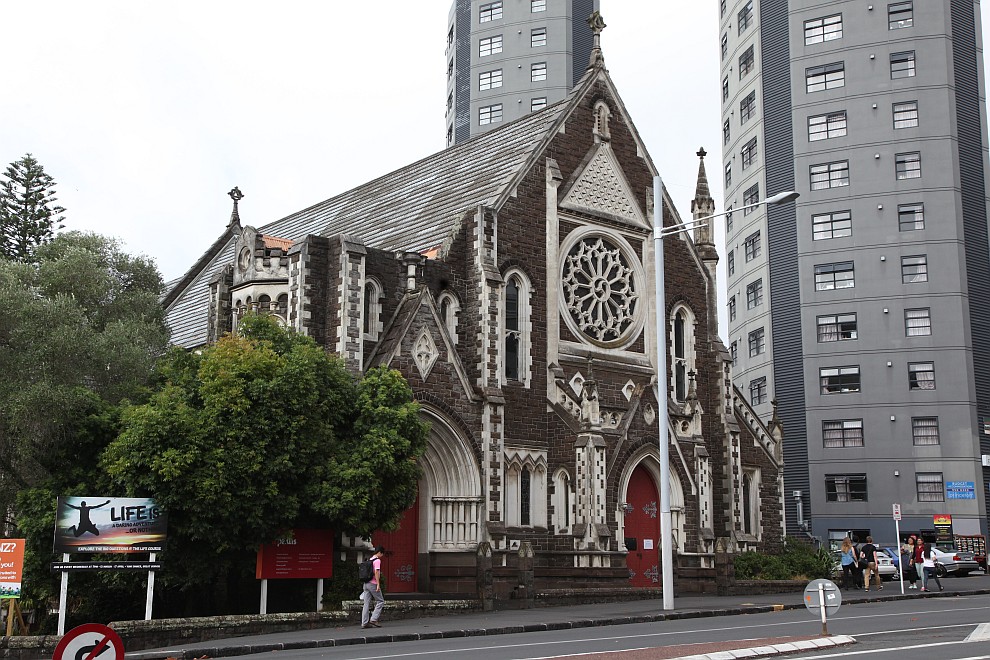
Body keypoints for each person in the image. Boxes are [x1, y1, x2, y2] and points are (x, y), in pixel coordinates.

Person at [361, 545, 386, 629]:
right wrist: (378, 584)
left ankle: (364, 622)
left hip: (366, 583)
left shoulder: (370, 559)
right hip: (373, 583)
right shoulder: (377, 560)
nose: (382, 556)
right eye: (382, 554)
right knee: (380, 601)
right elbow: (376, 572)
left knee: (366, 603)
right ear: (380, 552)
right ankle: (374, 619)